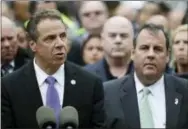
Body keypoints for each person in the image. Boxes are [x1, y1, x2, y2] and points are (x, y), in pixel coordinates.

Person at [1, 9, 105, 128]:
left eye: (63, 36)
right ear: (33, 45)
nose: (60, 43)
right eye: (50, 38)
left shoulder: (90, 83)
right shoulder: (9, 86)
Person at [104, 24, 188, 128]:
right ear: (133, 53)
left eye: (157, 49)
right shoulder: (109, 93)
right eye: (144, 48)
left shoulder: (185, 90)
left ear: (167, 56)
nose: (151, 54)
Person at [84, 16, 134, 82]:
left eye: (123, 36)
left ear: (133, 41)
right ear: (102, 40)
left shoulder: (144, 73)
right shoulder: (86, 74)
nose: (118, 40)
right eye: (112, 35)